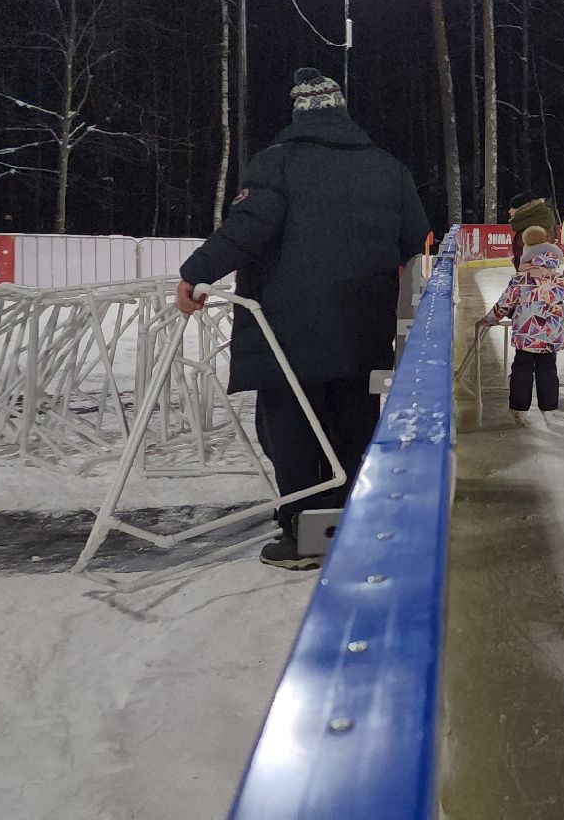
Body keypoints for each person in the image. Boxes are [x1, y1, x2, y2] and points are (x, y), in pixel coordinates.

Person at [175, 68, 429, 570]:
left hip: (285, 335)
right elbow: (415, 237)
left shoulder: (277, 164)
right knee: (353, 428)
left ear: (298, 114)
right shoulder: (389, 168)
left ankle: (303, 532)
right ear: (341, 112)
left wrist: (196, 274)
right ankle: (354, 523)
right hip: (361, 332)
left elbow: (248, 229)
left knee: (290, 432)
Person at [478, 237, 564, 426]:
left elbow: (504, 304)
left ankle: (520, 408)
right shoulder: (561, 282)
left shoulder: (520, 281)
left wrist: (490, 320)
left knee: (522, 370)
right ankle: (549, 407)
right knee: (548, 371)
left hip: (526, 337)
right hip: (550, 338)